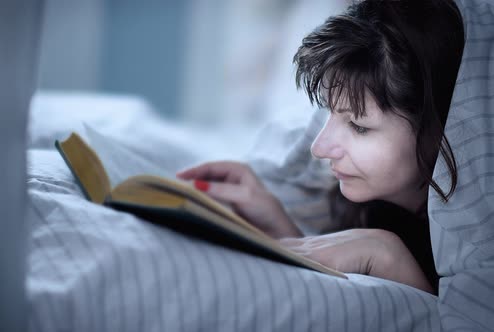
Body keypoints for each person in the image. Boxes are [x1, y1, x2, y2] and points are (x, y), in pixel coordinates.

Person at [177, 0, 465, 294]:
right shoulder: (367, 209)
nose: (320, 147)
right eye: (328, 112)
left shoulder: (475, 241)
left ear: (440, 128)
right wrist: (284, 231)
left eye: (359, 126)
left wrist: (387, 256)